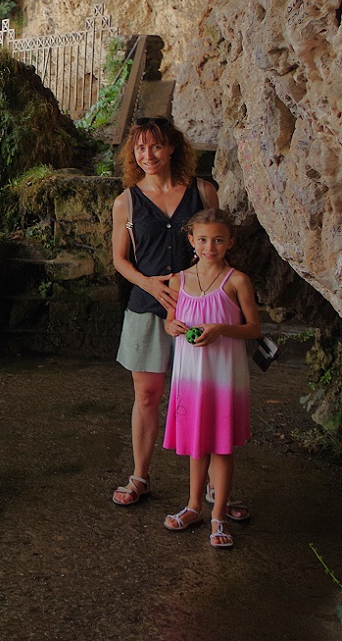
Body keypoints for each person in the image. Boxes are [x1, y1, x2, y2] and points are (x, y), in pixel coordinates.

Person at [110, 116, 218, 507]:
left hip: (196, 306)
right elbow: (120, 260)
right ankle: (140, 476)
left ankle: (209, 483)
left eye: (155, 146)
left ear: (171, 147)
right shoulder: (127, 201)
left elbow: (217, 247)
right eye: (140, 148)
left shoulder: (203, 192)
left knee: (201, 395)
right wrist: (148, 282)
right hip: (147, 306)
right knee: (147, 394)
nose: (148, 155)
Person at [160, 208, 261, 548]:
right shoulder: (179, 280)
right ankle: (192, 506)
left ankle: (218, 514)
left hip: (222, 375)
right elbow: (170, 321)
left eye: (218, 240)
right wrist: (170, 326)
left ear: (230, 242)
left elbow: (253, 329)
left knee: (221, 444)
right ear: (191, 241)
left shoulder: (237, 281)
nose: (210, 246)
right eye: (202, 239)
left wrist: (221, 329)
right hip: (189, 376)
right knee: (196, 444)